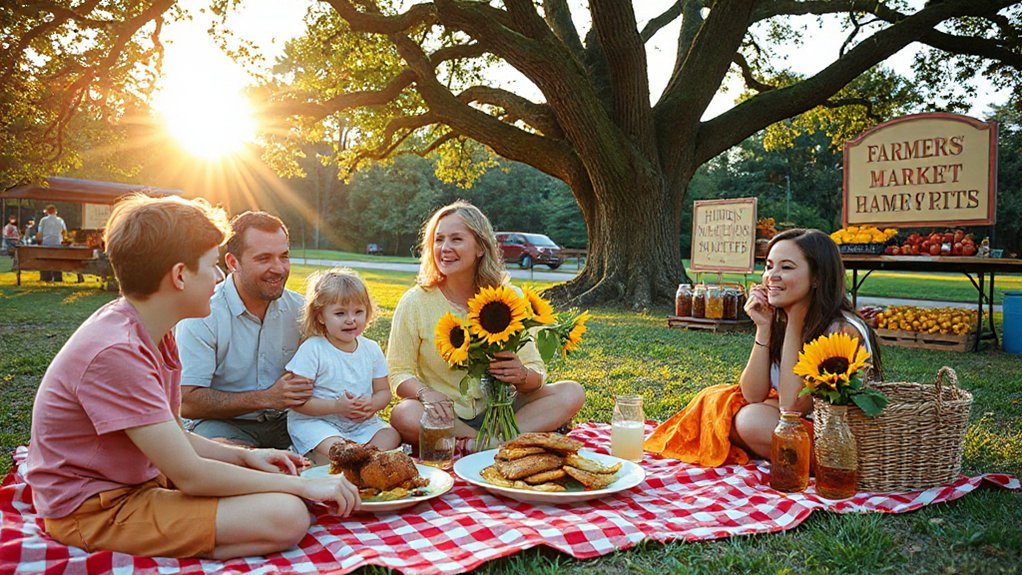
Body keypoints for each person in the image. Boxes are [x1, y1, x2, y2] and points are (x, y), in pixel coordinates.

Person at [25, 194, 359, 560]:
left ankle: (189, 532)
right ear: (180, 275)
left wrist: (247, 458)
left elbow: (175, 437)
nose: (219, 276)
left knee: (276, 493)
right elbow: (190, 475)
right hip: (94, 510)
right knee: (288, 513)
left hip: (138, 482)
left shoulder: (152, 331)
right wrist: (304, 489)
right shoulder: (116, 351)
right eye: (212, 264)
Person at [645, 228, 882, 464]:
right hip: (799, 424)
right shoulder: (781, 318)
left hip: (840, 440)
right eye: (769, 266)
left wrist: (795, 320)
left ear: (817, 277)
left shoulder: (842, 330)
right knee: (727, 411)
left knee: (750, 421)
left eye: (786, 267)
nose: (771, 276)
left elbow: (791, 407)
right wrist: (763, 327)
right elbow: (753, 393)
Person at [387, 201, 585, 449]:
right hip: (447, 415)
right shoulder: (415, 302)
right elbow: (398, 373)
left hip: (504, 411)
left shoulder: (509, 298)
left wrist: (521, 374)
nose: (445, 248)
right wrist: (426, 394)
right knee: (404, 413)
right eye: (439, 240)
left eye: (456, 239)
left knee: (572, 392)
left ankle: (491, 442)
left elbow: (536, 374)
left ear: (480, 247)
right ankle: (486, 443)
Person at [176, 211, 311, 449]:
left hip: (291, 421)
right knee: (229, 460)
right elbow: (187, 401)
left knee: (344, 453)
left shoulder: (302, 310)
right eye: (264, 258)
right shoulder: (203, 313)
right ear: (232, 263)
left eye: (284, 256)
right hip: (224, 424)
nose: (279, 268)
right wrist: (267, 398)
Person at [286, 268, 401, 461]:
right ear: (320, 316)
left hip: (360, 424)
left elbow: (383, 392)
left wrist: (372, 404)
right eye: (340, 313)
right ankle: (355, 458)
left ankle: (363, 458)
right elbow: (297, 403)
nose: (351, 319)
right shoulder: (313, 349)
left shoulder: (371, 349)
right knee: (336, 446)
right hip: (318, 422)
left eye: (358, 312)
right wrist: (336, 406)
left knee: (390, 435)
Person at [36, 205, 66, 281]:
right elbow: (64, 232)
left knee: (45, 260)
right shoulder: (60, 220)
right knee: (57, 260)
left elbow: (40, 232)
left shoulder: (43, 220)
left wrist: (39, 241)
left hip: (46, 243)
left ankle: (46, 277)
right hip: (58, 243)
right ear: (56, 211)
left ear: (47, 212)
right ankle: (58, 277)